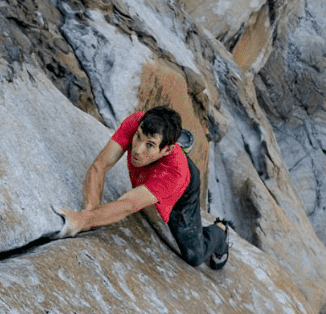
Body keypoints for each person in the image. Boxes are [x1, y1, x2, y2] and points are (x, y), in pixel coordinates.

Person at [54, 106, 229, 270]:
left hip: (184, 187)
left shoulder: (175, 175)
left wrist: (85, 219)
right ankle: (166, 143)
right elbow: (100, 166)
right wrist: (89, 215)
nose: (137, 149)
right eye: (138, 137)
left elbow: (129, 204)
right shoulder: (137, 122)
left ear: (166, 150)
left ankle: (220, 232)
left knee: (194, 256)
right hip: (164, 161)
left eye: (149, 145)